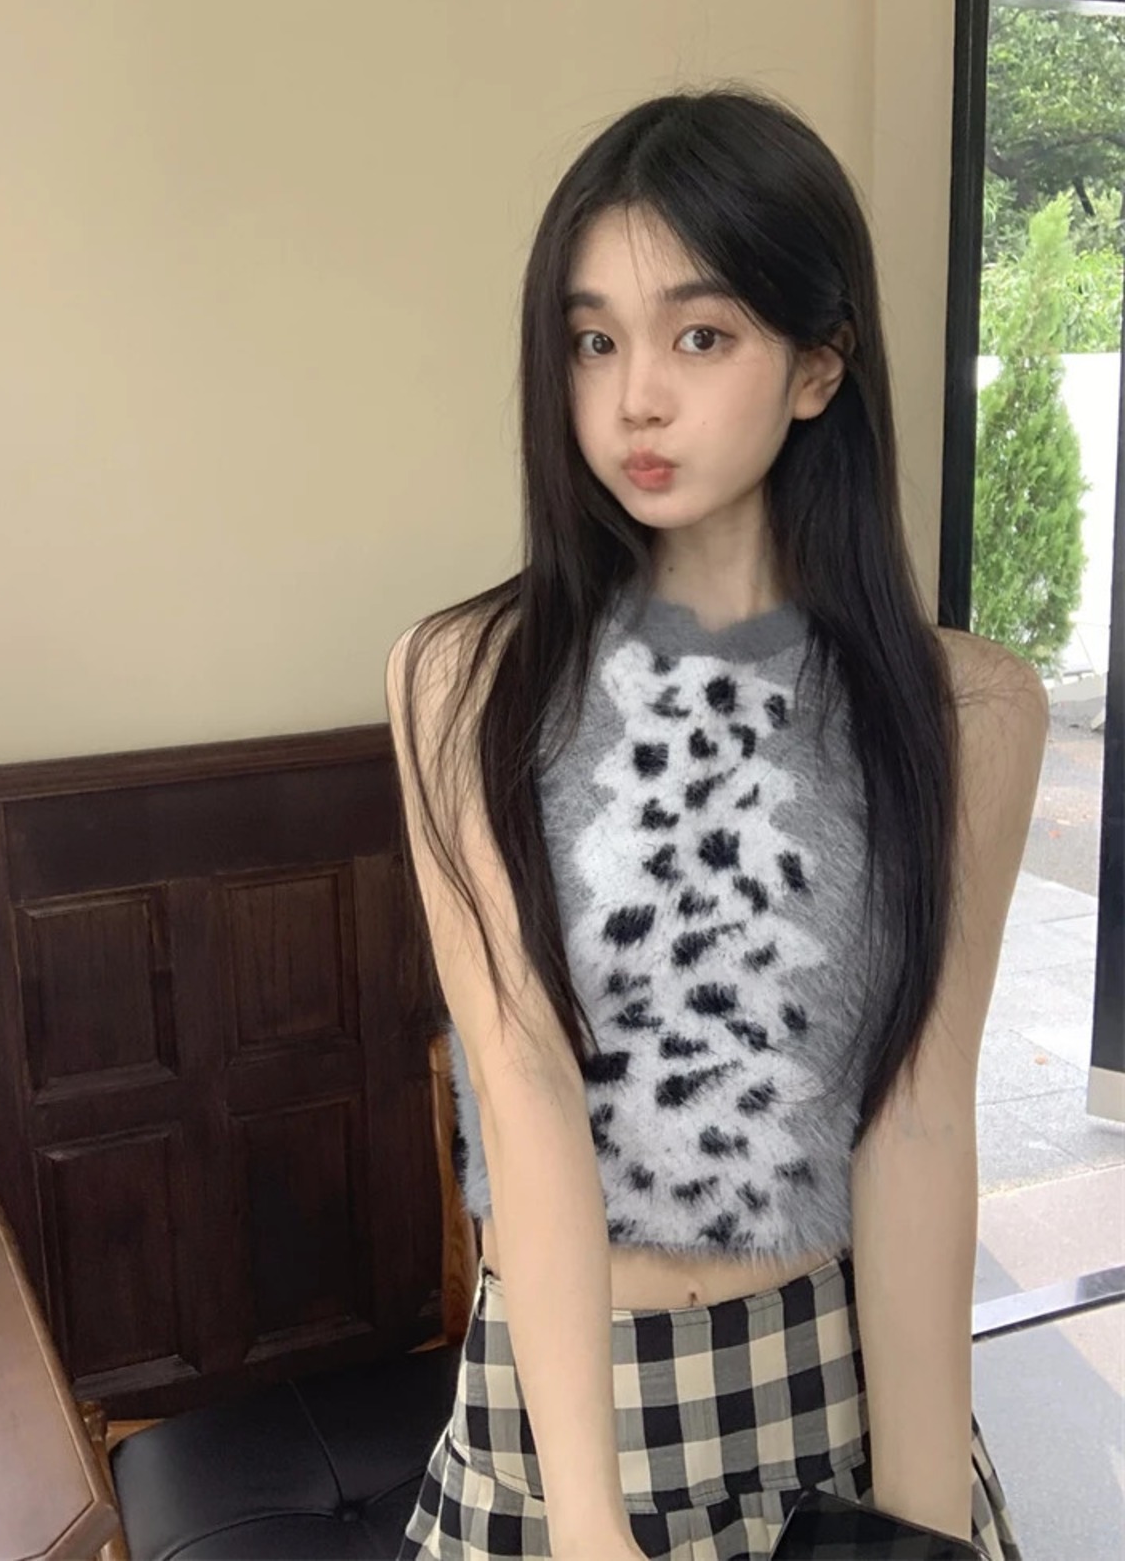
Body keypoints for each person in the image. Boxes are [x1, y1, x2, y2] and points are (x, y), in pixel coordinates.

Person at [385, 86, 1042, 1561]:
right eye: (592, 340)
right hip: (560, 1416)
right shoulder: (463, 681)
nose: (634, 399)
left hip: (841, 1394)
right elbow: (524, 1088)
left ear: (819, 366)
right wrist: (588, 1529)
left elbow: (920, 1117)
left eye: (699, 336)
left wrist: (919, 1522)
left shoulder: (965, 712)